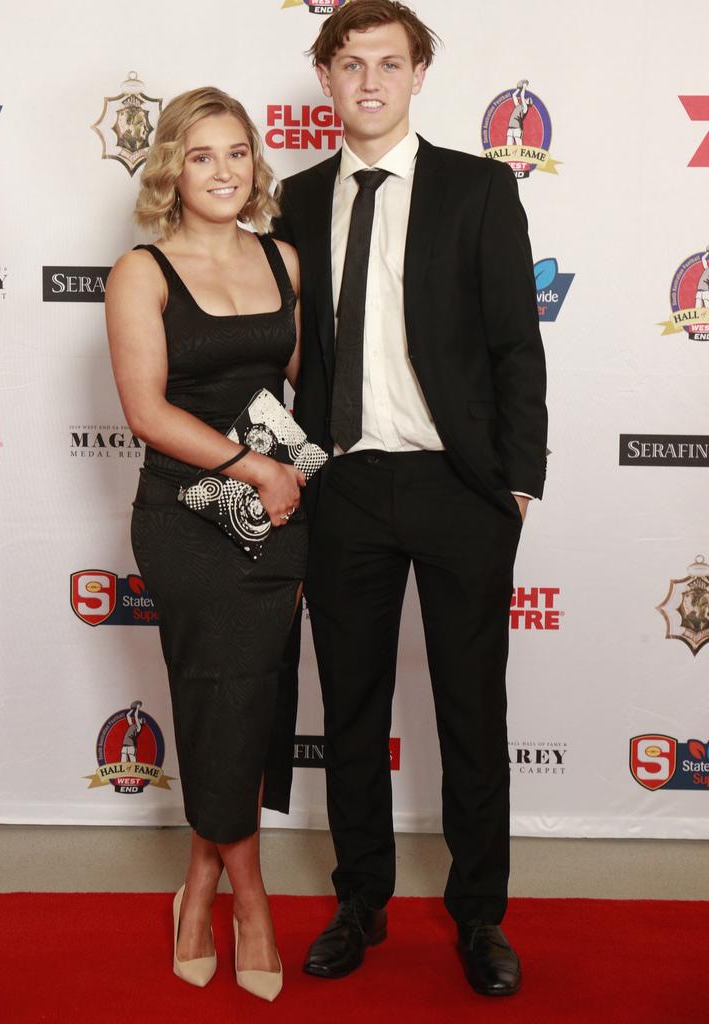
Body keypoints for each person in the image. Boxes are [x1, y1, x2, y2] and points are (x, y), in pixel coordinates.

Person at [272, 0, 547, 997]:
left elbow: (518, 346)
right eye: (351, 66)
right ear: (328, 78)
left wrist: (517, 485)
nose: (371, 82)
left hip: (459, 489)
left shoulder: (478, 189)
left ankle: (480, 915)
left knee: (473, 710)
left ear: (419, 73)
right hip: (344, 486)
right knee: (351, 708)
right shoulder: (296, 201)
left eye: (390, 63)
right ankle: (362, 902)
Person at [105, 87, 307, 1002]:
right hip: (184, 518)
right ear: (172, 171)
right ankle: (250, 893)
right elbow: (146, 411)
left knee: (251, 696)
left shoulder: (286, 261)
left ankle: (200, 879)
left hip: (276, 524)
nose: (223, 172)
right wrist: (246, 467)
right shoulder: (141, 271)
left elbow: (299, 391)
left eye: (237, 154)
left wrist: (284, 476)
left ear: (255, 166)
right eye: (201, 156)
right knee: (211, 688)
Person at [507, 79, 533, 147]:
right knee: (508, 148)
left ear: (528, 103)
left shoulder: (525, 108)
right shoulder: (518, 106)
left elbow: (522, 96)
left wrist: (524, 87)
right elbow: (514, 95)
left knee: (519, 148)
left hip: (517, 129)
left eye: (528, 100)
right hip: (510, 128)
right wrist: (519, 88)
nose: (526, 99)